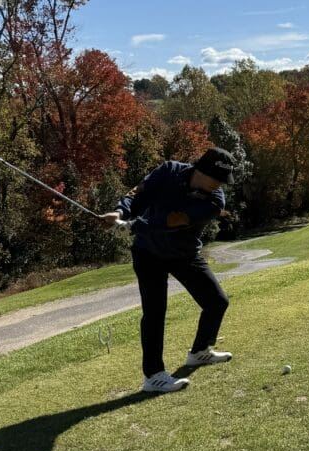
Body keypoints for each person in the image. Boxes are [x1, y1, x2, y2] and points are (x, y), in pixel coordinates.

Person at [101, 147, 236, 393]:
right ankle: (153, 376)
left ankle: (200, 352)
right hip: (148, 254)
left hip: (184, 254)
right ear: (202, 171)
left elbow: (173, 222)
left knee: (217, 301)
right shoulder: (169, 171)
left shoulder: (214, 201)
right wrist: (120, 212)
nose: (219, 185)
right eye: (216, 178)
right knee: (154, 312)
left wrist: (132, 226)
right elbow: (138, 195)